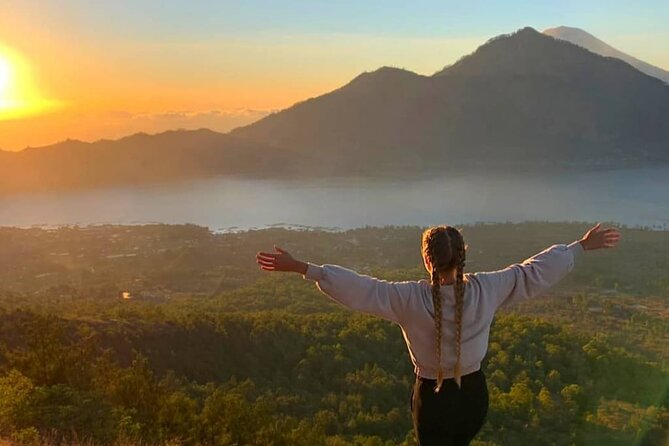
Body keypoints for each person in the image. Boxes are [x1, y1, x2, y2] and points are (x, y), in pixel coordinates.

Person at [255, 223, 621, 446]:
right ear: (462, 257)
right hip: (474, 396)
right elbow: (532, 272)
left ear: (427, 261)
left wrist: (304, 268)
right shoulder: (487, 289)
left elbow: (361, 289)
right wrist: (579, 246)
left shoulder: (408, 298)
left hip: (433, 399)